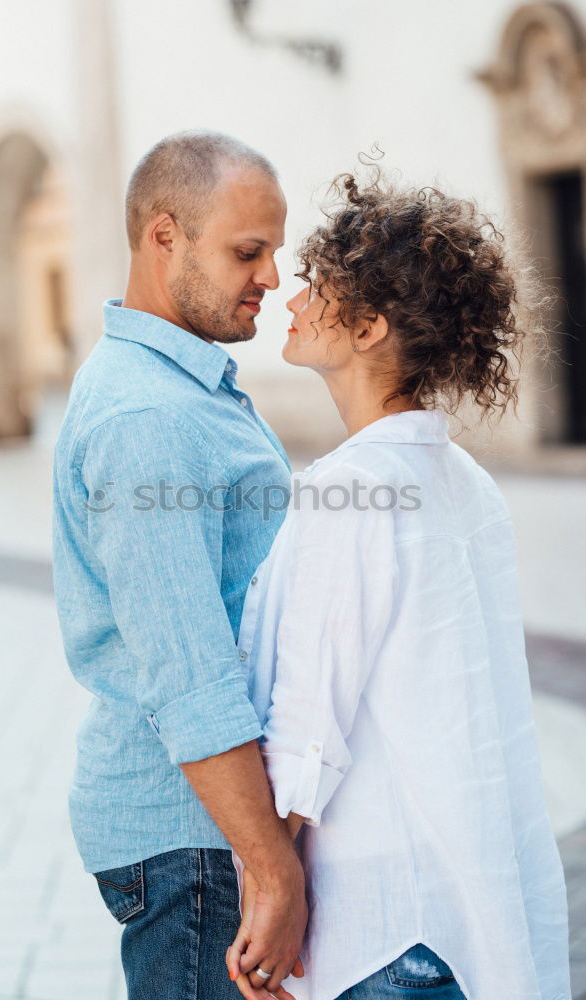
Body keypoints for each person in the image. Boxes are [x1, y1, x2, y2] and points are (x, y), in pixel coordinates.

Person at [226, 171, 572, 1000]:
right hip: (462, 905)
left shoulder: (349, 490)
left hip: (379, 920)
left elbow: (310, 719)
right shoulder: (462, 482)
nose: (292, 299)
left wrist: (270, 895)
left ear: (371, 326)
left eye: (319, 287)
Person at [52, 131, 307, 1000]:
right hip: (195, 844)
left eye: (271, 250)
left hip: (207, 837)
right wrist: (271, 871)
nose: (272, 277)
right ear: (165, 238)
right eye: (249, 251)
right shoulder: (146, 415)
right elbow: (188, 670)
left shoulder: (178, 387)